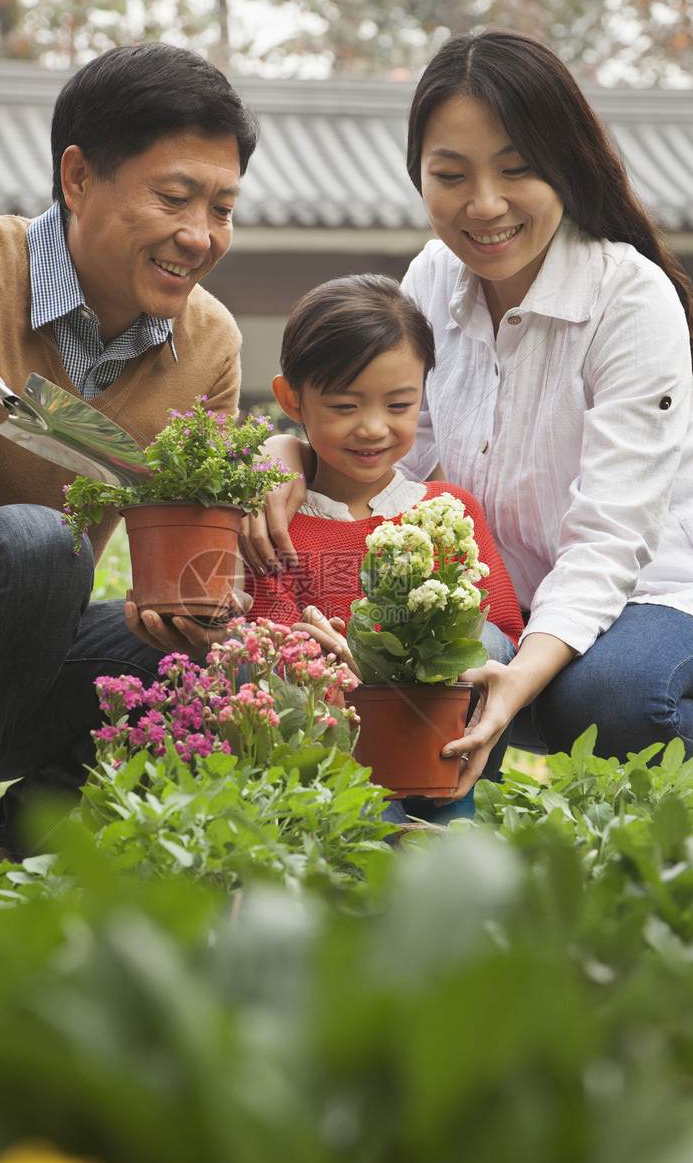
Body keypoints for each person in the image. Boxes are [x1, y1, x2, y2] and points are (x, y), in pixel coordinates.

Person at [246, 27, 693, 799]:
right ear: (419, 176)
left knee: (605, 694)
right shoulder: (433, 280)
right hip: (506, 603)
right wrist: (291, 452)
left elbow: (611, 540)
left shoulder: (628, 299)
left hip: (660, 598)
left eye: (518, 170)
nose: (486, 205)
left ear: (564, 167)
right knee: (425, 654)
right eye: (451, 174)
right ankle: (421, 840)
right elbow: (391, 457)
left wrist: (519, 673)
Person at [0, 42, 258, 855]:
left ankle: (34, 860)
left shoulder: (211, 342)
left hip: (15, 669)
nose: (200, 235)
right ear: (77, 178)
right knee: (38, 543)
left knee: (228, 660)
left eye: (221, 207)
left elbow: (196, 535)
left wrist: (199, 606)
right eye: (175, 197)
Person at [138, 273, 523, 821]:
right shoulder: (278, 522)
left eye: (399, 405)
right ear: (291, 398)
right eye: (345, 406)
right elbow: (272, 643)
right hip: (336, 759)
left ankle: (451, 819)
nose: (373, 428)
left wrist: (383, 660)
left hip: (447, 758)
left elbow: (502, 633)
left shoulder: (448, 510)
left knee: (486, 643)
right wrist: (332, 661)